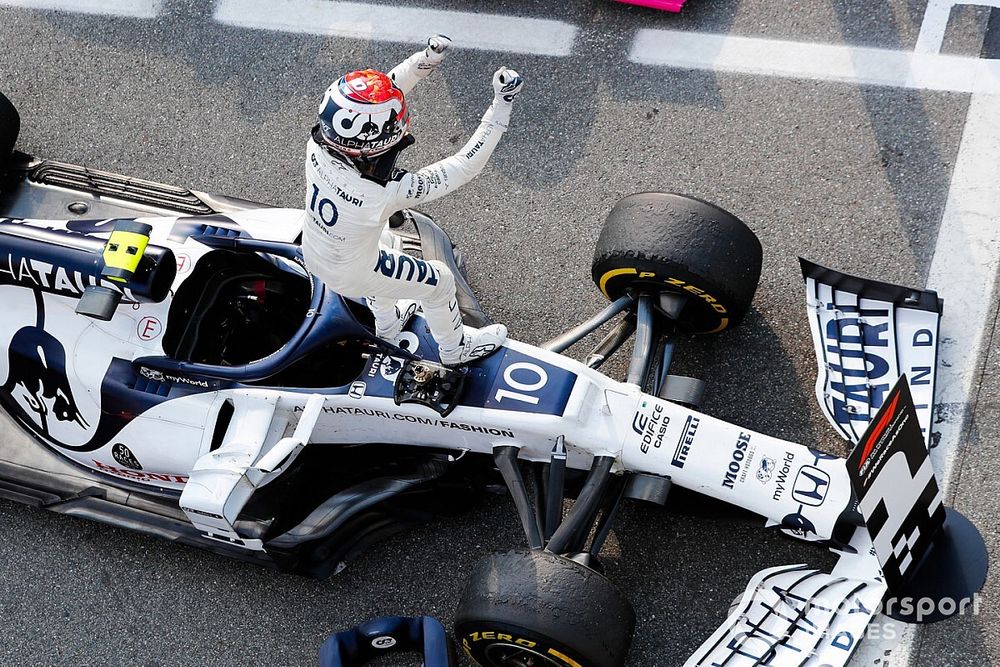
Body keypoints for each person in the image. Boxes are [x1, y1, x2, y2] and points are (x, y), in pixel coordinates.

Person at [301, 35, 524, 366]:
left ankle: (387, 329)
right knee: (440, 280)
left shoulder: (318, 143)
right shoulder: (382, 191)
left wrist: (427, 59)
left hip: (318, 253)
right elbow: (464, 166)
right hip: (350, 270)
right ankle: (455, 348)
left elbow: (383, 93)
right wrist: (501, 105)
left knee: (385, 247)